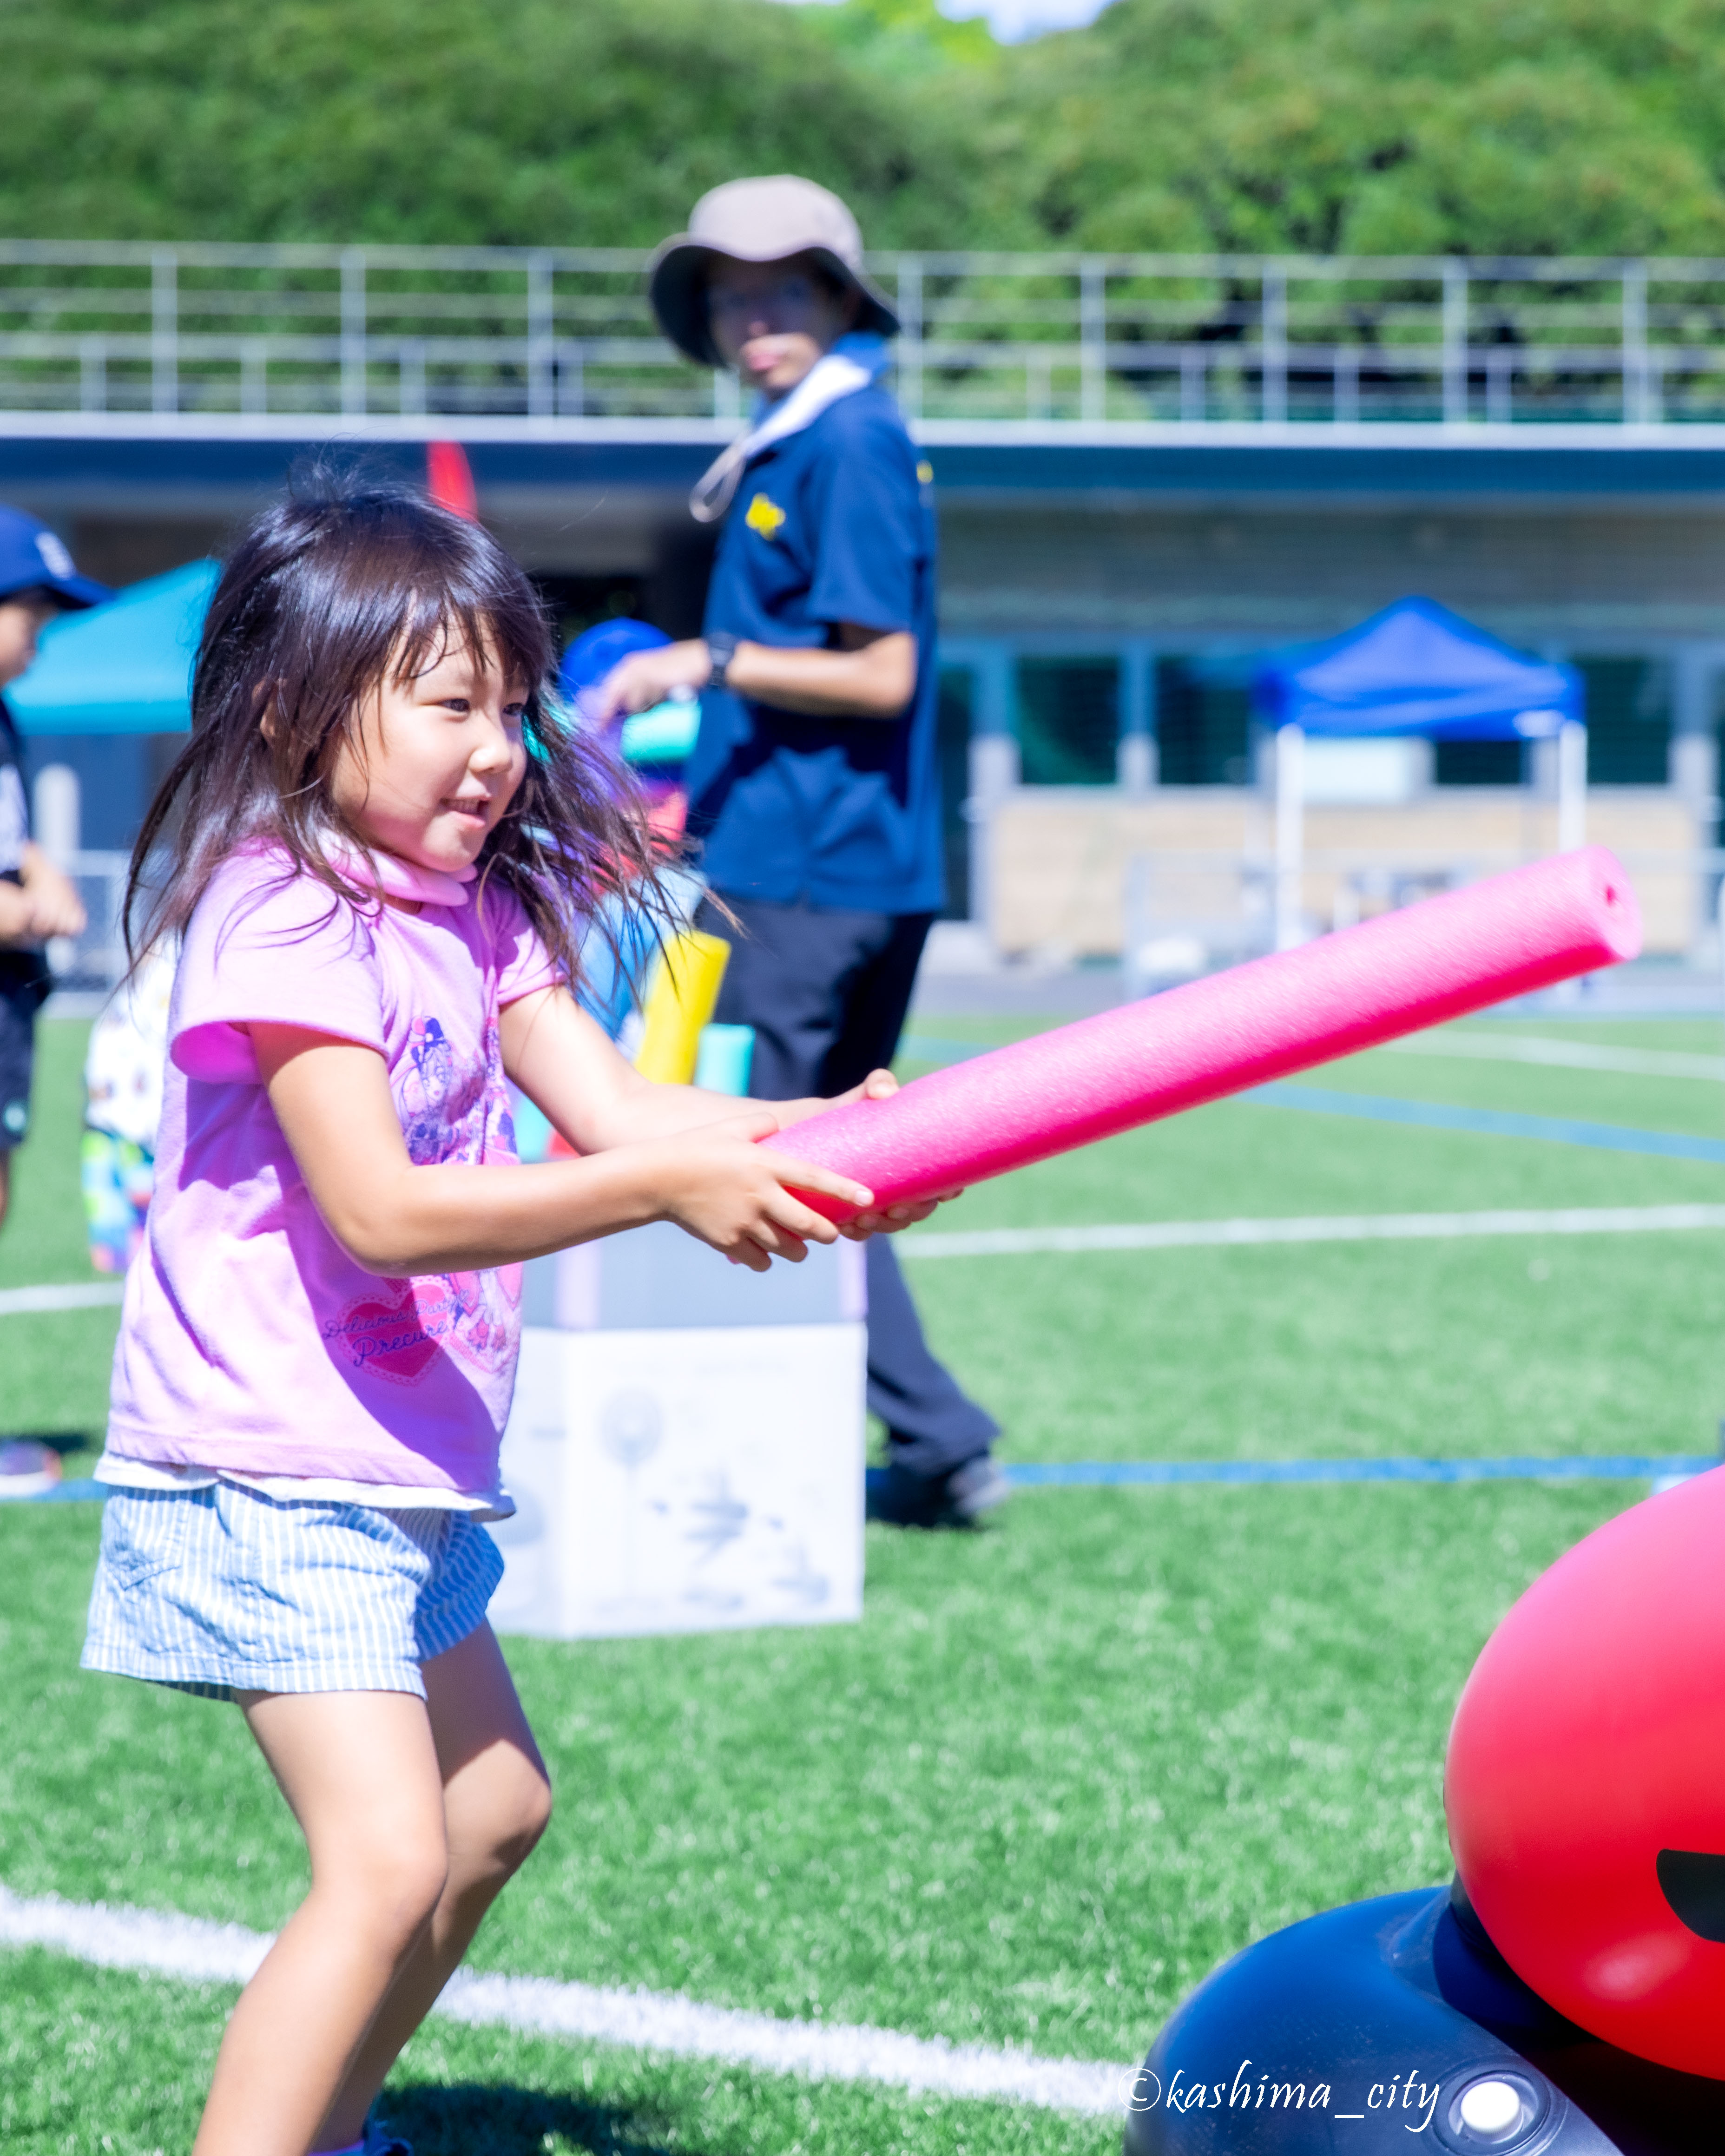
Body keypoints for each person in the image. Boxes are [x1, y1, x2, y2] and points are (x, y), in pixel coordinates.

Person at [82, 477, 943, 2156]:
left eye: (514, 705)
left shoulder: (478, 912)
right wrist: (662, 1194)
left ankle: (329, 2128)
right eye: (451, 703)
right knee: (389, 1856)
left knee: (489, 1816)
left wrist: (847, 1137)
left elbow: (628, 1113)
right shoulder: (282, 907)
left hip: (394, 1455)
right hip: (270, 1464)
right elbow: (384, 1212)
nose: (498, 749)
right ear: (293, 704)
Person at [595, 174, 1006, 1531]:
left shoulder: (849, 442)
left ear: (840, 297)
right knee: (812, 1153)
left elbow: (880, 675)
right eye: (726, 293)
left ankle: (907, 1434)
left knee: (760, 1155)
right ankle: (928, 1437)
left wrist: (698, 663)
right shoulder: (803, 438)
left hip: (811, 874)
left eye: (782, 288)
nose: (750, 316)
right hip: (803, 860)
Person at [0, 507, 110, 1234]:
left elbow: (14, 836)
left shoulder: (5, 716)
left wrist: (44, 874)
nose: (38, 647)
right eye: (29, 624)